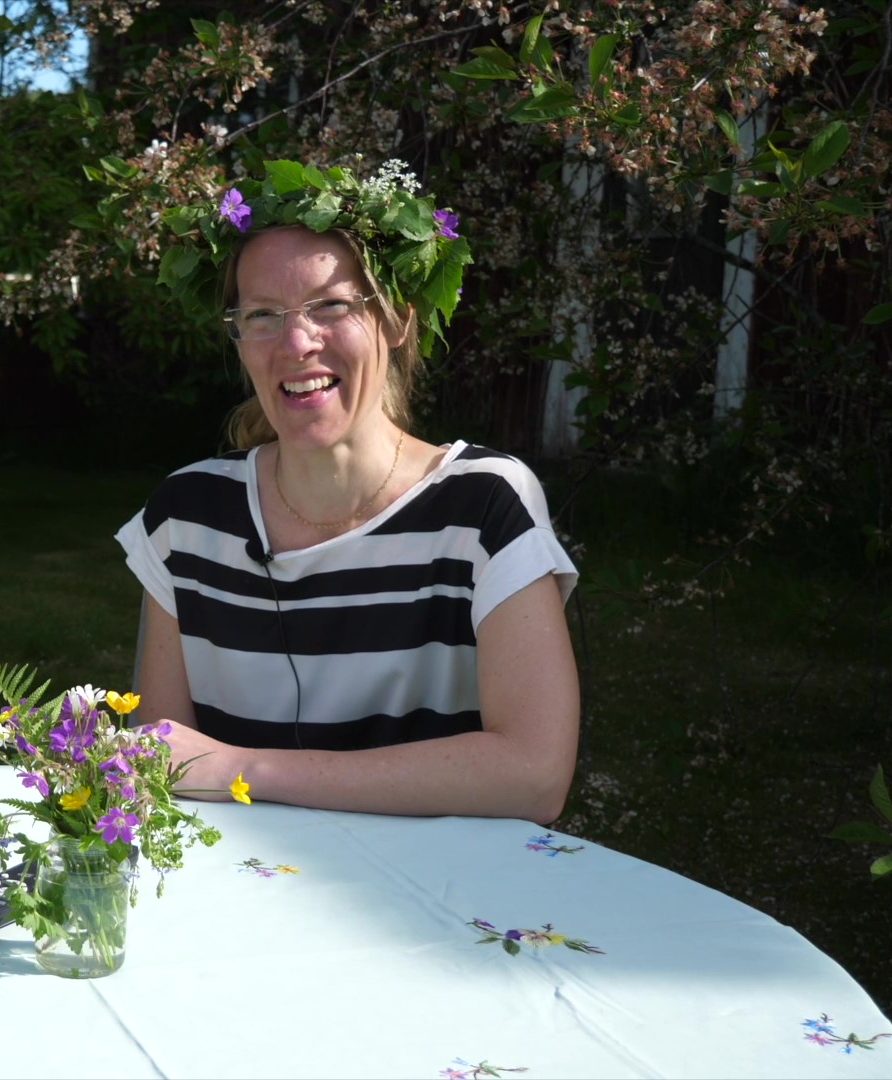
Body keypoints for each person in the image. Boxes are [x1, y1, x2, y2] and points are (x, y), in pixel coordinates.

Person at [117, 160, 579, 824]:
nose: (297, 342)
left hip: (432, 903)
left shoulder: (482, 508)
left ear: (395, 322)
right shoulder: (187, 518)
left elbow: (534, 778)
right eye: (264, 315)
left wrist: (246, 769)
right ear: (239, 340)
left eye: (331, 306)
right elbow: (165, 769)